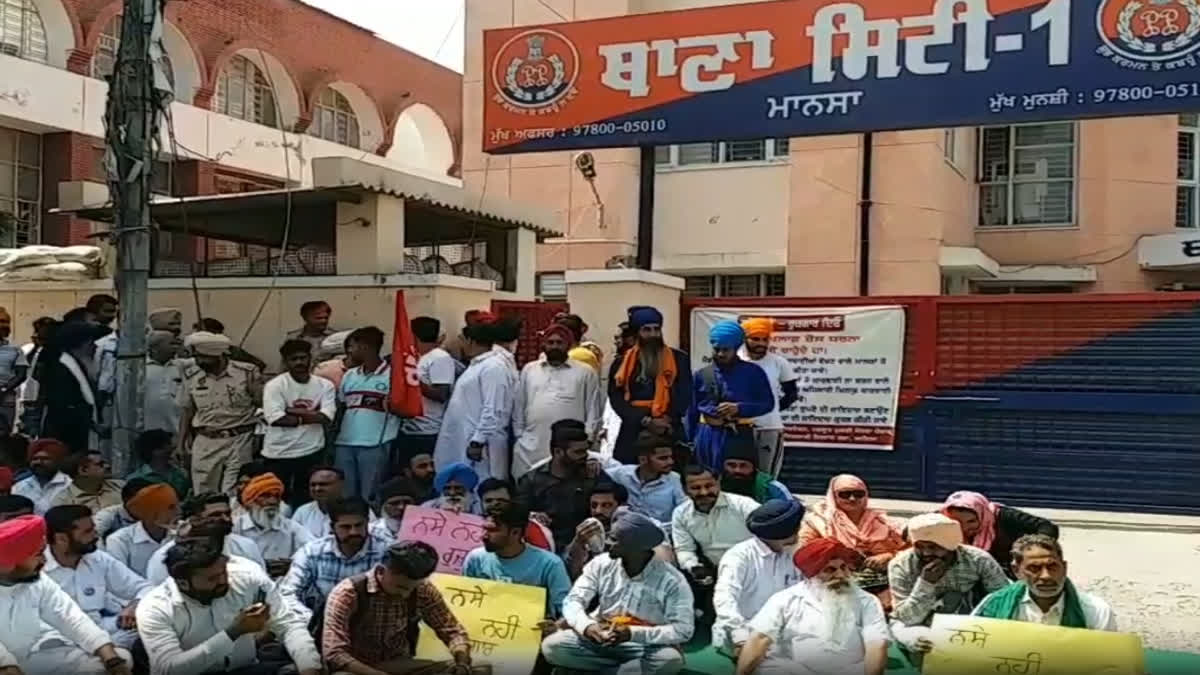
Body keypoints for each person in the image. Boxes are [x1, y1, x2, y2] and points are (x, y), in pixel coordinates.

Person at [136, 539, 323, 675]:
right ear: (183, 584)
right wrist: (233, 632)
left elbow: (288, 624)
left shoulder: (246, 578)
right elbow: (169, 669)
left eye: (223, 572)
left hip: (247, 669)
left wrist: (310, 666)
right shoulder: (154, 607)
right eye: (212, 578)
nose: (224, 581)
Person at [542, 510, 694, 674]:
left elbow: (683, 629)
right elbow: (573, 601)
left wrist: (632, 634)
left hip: (645, 645)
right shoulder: (601, 564)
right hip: (600, 636)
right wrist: (588, 626)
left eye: (614, 539)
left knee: (669, 660)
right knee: (552, 646)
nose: (606, 542)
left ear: (636, 546)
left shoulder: (672, 580)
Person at [0, 514, 134, 675]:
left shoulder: (38, 581)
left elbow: (69, 617)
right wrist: (8, 667)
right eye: (38, 554)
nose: (44, 560)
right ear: (8, 563)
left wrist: (111, 658)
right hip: (5, 665)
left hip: (30, 657)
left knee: (120, 657)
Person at [735, 538, 889, 675]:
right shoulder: (785, 599)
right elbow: (760, 639)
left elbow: (876, 645)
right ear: (811, 575)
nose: (841, 575)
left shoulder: (867, 601)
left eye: (844, 567)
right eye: (830, 570)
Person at [322, 541, 473, 675]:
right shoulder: (347, 593)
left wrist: (462, 662)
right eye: (400, 587)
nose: (406, 594)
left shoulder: (422, 589)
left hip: (401, 664)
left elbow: (452, 631)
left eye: (411, 589)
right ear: (381, 571)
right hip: (358, 667)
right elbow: (334, 653)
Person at [888, 512, 1008, 656]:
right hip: (916, 622)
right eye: (920, 547)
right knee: (920, 641)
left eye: (933, 547)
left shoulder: (978, 559)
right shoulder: (900, 564)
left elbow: (1003, 598)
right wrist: (926, 583)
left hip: (967, 617)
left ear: (950, 544)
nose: (926, 553)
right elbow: (906, 618)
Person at [43, 504, 153, 648]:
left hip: (107, 629)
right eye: (88, 532)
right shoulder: (37, 569)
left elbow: (146, 588)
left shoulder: (97, 558)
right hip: (64, 642)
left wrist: (134, 605)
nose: (96, 535)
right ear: (62, 539)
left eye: (93, 528)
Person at [713, 499, 804, 658]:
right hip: (745, 630)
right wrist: (740, 638)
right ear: (780, 533)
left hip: (785, 632)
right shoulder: (739, 556)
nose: (799, 531)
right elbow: (724, 599)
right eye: (796, 528)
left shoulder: (794, 552)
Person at [512, 322, 603, 479]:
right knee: (526, 487)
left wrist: (587, 440)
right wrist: (520, 435)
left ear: (568, 345)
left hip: (569, 447)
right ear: (544, 345)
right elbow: (520, 405)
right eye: (550, 342)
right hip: (531, 444)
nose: (554, 346)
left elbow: (593, 409)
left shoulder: (585, 372)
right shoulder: (530, 369)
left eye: (559, 343)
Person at [176, 331, 263, 495]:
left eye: (203, 357)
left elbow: (261, 404)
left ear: (217, 355)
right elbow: (187, 410)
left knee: (234, 491)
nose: (199, 361)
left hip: (240, 438)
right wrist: (181, 444)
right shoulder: (191, 375)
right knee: (203, 491)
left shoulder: (246, 372)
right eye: (196, 357)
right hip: (206, 440)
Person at [799, 474, 906, 605]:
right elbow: (807, 553)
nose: (852, 498)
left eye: (858, 494)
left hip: (881, 585)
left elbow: (907, 549)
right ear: (834, 495)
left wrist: (889, 556)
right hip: (834, 583)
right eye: (845, 494)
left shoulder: (881, 520)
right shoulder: (819, 520)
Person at [972, 533, 1117, 630]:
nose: (1046, 576)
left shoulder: (1095, 611)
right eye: (1034, 568)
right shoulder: (993, 606)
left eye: (1052, 566)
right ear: (1016, 571)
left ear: (1064, 567)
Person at [280, 496, 390, 619]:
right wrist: (311, 620)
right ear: (332, 528)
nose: (353, 532)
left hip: (373, 622)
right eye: (346, 527)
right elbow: (288, 593)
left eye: (358, 525)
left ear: (367, 523)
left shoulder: (386, 551)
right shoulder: (312, 552)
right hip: (321, 620)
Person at [435, 314, 514, 482]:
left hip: (480, 442)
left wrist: (478, 441)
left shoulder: (494, 367)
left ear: (470, 341)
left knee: (482, 484)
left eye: (461, 340)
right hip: (464, 436)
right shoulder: (477, 365)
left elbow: (493, 407)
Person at [608, 307, 692, 465]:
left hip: (668, 427)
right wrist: (645, 420)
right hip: (633, 428)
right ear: (637, 333)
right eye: (647, 330)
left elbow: (685, 393)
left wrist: (667, 419)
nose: (653, 334)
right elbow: (616, 398)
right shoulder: (621, 363)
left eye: (656, 329)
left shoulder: (679, 359)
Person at [464, 500, 572, 620]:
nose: (483, 536)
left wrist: (555, 627)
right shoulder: (475, 559)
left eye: (492, 530)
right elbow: (465, 603)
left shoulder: (550, 564)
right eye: (484, 529)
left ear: (515, 532)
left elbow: (567, 611)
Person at [517, 419, 613, 553]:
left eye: (586, 451)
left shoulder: (592, 474)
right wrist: (532, 516)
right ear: (558, 452)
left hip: (586, 547)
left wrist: (593, 484)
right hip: (544, 549)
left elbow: (616, 500)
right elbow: (517, 515)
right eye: (578, 452)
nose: (585, 456)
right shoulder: (531, 480)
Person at [690, 320, 774, 470]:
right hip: (706, 436)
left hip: (739, 435)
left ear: (735, 349)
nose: (721, 354)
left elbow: (767, 404)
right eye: (717, 349)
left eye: (726, 350)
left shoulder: (753, 373)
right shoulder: (702, 374)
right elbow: (691, 410)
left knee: (736, 480)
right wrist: (690, 440)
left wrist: (739, 408)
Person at [262, 339, 336, 507]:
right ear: (286, 362)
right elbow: (276, 419)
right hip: (279, 453)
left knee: (308, 500)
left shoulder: (325, 385)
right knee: (277, 499)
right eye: (294, 359)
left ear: (310, 358)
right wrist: (311, 415)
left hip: (312, 451)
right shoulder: (275, 385)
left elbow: (325, 418)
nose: (299, 362)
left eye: (303, 358)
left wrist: (290, 410)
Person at [335, 326, 402, 499]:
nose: (349, 351)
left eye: (352, 346)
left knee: (370, 495)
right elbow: (342, 407)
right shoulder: (349, 375)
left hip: (376, 443)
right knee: (346, 495)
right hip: (345, 442)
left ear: (365, 346)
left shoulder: (393, 375)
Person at [671, 464, 760, 590]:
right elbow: (684, 549)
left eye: (709, 486)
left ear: (718, 483)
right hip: (715, 572)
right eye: (695, 488)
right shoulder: (681, 514)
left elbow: (768, 533)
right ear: (685, 490)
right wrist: (694, 567)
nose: (704, 492)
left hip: (753, 569)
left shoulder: (743, 505)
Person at [144, 494, 266, 584]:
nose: (226, 519)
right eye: (215, 515)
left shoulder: (246, 546)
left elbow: (262, 584)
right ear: (193, 520)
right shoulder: (164, 556)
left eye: (227, 514)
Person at [942, 490, 1060, 574]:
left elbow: (1046, 527)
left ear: (982, 515)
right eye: (956, 522)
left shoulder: (1003, 516)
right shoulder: (940, 524)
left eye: (971, 521)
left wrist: (1030, 549)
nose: (964, 528)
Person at [738, 318, 798, 478]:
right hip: (738, 428)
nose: (761, 344)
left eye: (765, 339)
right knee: (738, 473)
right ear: (745, 339)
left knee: (766, 475)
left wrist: (771, 409)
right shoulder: (735, 360)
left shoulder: (778, 362)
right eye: (756, 339)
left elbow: (792, 393)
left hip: (769, 428)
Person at [40, 320, 109, 455]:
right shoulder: (60, 368)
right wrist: (92, 424)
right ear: (80, 344)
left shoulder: (76, 364)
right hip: (65, 435)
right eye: (91, 342)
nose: (94, 347)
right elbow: (65, 405)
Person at [400, 316, 459, 462]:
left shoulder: (439, 358)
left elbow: (441, 394)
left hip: (427, 430)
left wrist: (413, 381)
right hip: (409, 427)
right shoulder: (418, 357)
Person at [233, 473, 314, 577]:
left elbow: (315, 551)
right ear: (251, 501)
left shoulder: (291, 528)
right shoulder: (236, 527)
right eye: (265, 496)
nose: (272, 501)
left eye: (276, 496)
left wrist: (294, 565)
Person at [609, 430, 686, 524]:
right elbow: (602, 468)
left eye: (671, 457)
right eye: (663, 458)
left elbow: (684, 513)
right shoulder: (623, 474)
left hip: (661, 533)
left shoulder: (674, 479)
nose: (670, 462)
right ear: (643, 460)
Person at [105, 483, 179, 576]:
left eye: (178, 505)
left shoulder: (182, 532)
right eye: (171, 508)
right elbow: (119, 580)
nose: (178, 512)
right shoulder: (119, 541)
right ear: (151, 513)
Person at [563, 481, 629, 579]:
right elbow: (573, 576)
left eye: (606, 505)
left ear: (621, 508)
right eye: (594, 505)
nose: (598, 511)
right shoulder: (583, 533)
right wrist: (578, 544)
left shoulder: (631, 535)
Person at [290, 466, 369, 538]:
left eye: (323, 484)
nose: (317, 489)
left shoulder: (358, 509)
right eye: (313, 485)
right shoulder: (302, 511)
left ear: (341, 485)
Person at [127, 429, 191, 501]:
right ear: (156, 451)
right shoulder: (136, 479)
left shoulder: (180, 474)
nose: (172, 447)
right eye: (168, 444)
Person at [720, 439, 790, 504]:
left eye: (743, 466)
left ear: (754, 468)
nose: (737, 470)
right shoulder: (713, 486)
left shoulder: (773, 488)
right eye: (731, 465)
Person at [13, 438, 72, 514]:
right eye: (35, 459)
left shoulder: (69, 485)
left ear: (57, 461)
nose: (39, 462)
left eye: (45, 459)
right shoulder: (20, 486)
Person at [50, 449, 123, 511]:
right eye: (101, 464)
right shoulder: (63, 501)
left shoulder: (120, 486)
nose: (107, 466)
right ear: (83, 470)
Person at [17, 316, 54, 435]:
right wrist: (36, 347)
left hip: (44, 397)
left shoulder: (53, 351)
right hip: (28, 395)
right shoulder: (28, 349)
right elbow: (24, 365)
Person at [144, 330, 183, 434]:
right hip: (147, 429)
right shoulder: (141, 368)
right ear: (156, 347)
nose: (175, 347)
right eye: (171, 344)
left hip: (175, 428)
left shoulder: (180, 366)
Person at [370, 476, 427, 542]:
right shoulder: (370, 532)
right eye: (395, 503)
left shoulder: (428, 529)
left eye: (407, 502)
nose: (401, 507)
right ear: (383, 506)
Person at [0, 306, 29, 435]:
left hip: (6, 398)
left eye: (5, 323)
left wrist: (4, 389)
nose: (3, 326)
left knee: (4, 434)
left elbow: (21, 374)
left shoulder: (15, 350)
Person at [283, 300, 337, 364]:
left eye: (326, 318)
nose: (323, 321)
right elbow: (285, 365)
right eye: (319, 318)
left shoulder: (335, 337)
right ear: (305, 318)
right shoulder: (293, 338)